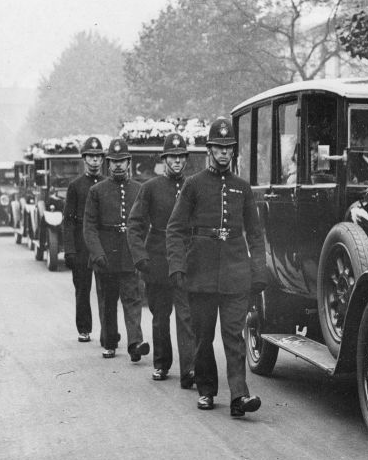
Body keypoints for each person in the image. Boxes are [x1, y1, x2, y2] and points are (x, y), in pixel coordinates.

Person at [166, 117, 267, 416]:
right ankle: (207, 390)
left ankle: (239, 395)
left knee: (234, 336)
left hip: (236, 273)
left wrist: (258, 272)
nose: (224, 153)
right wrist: (177, 266)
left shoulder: (242, 188)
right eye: (218, 148)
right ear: (208, 150)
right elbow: (175, 228)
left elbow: (256, 234)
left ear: (234, 151)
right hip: (201, 273)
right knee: (203, 337)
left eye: (229, 148)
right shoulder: (193, 185)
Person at [127, 132, 195, 386]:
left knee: (187, 316)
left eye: (181, 157)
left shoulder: (193, 185)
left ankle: (189, 369)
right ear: (164, 159)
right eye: (172, 157)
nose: (176, 161)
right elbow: (135, 225)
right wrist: (140, 257)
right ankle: (162, 363)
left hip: (186, 260)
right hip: (157, 259)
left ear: (186, 159)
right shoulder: (150, 188)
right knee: (160, 317)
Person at [83, 138, 149, 360]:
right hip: (106, 254)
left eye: (122, 161)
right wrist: (97, 253)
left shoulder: (140, 189)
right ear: (107, 163)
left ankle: (135, 344)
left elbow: (143, 224)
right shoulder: (97, 190)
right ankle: (109, 342)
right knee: (108, 301)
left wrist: (141, 253)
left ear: (129, 162)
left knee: (133, 299)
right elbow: (89, 227)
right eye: (114, 161)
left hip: (129, 253)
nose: (118, 165)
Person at [63, 136, 105, 342]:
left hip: (101, 243)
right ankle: (84, 329)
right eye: (91, 157)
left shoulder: (108, 184)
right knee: (82, 289)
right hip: (81, 245)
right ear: (84, 159)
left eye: (98, 157)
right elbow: (68, 221)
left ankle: (107, 331)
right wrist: (69, 249)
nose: (95, 161)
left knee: (105, 290)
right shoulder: (76, 186)